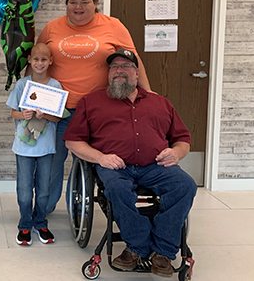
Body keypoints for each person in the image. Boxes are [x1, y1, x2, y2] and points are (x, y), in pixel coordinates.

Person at [64, 49, 196, 278]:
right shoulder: (91, 102)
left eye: (125, 67)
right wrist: (100, 158)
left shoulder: (160, 102)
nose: (119, 71)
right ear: (108, 74)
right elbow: (73, 141)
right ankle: (137, 246)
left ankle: (163, 251)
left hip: (155, 165)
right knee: (116, 190)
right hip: (114, 167)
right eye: (114, 67)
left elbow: (183, 139)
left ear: (136, 73)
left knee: (185, 185)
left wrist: (176, 153)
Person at [36, 0, 152, 214]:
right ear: (66, 4)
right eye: (73, 3)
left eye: (84, 3)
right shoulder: (52, 28)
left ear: (95, 4)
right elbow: (38, 63)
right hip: (58, 110)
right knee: (51, 163)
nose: (78, 7)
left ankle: (82, 209)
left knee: (95, 163)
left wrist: (147, 95)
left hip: (100, 110)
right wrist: (30, 98)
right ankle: (42, 211)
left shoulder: (113, 26)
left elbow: (133, 61)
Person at [6, 43, 62, 246]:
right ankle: (25, 224)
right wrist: (24, 114)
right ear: (30, 60)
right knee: (24, 189)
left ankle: (41, 222)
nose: (40, 63)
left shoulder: (55, 86)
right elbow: (13, 112)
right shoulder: (22, 84)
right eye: (36, 59)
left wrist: (44, 114)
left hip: (46, 147)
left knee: (44, 189)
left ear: (50, 62)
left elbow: (57, 119)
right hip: (23, 147)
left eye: (44, 59)